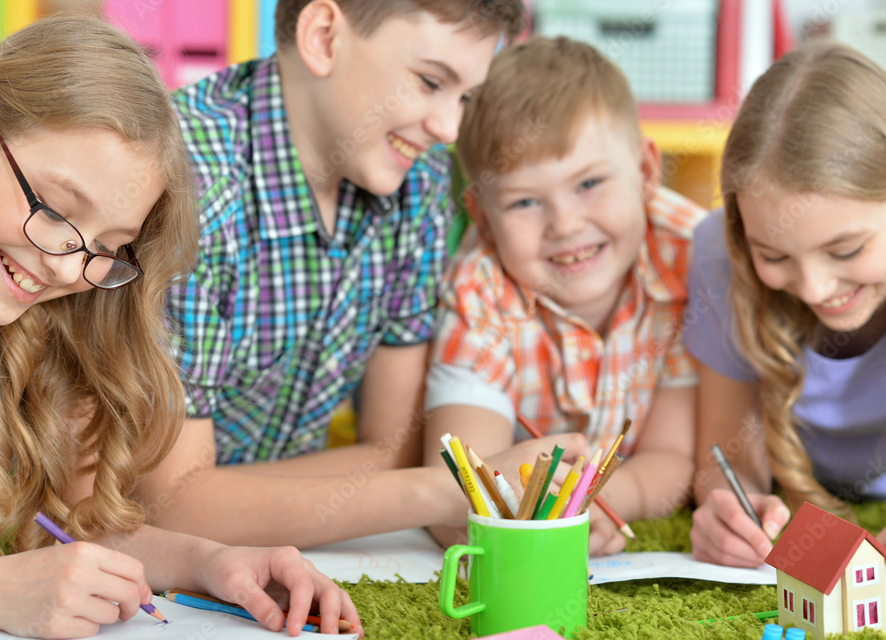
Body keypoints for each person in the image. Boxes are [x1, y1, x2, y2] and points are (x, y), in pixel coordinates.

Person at [0, 16, 358, 639]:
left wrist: (209, 561)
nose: (67, 265)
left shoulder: (44, 328)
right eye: (57, 210)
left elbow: (74, 519)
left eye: (107, 244)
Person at [142, 0, 572, 548]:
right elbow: (167, 503)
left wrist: (216, 498)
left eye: (465, 96)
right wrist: (457, 490)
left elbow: (393, 447)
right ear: (323, 36)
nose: (448, 127)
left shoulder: (417, 181)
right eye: (429, 80)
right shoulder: (191, 184)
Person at [422, 37, 706, 553]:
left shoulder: (690, 256)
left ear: (645, 170)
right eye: (526, 201)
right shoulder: (479, 286)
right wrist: (523, 509)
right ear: (482, 217)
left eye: (589, 183)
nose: (566, 225)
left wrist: (603, 499)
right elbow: (461, 484)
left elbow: (673, 456)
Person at [686, 41, 886, 572]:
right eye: (774, 255)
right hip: (789, 496)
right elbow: (725, 461)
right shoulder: (719, 255)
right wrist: (729, 508)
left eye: (847, 250)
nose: (815, 289)